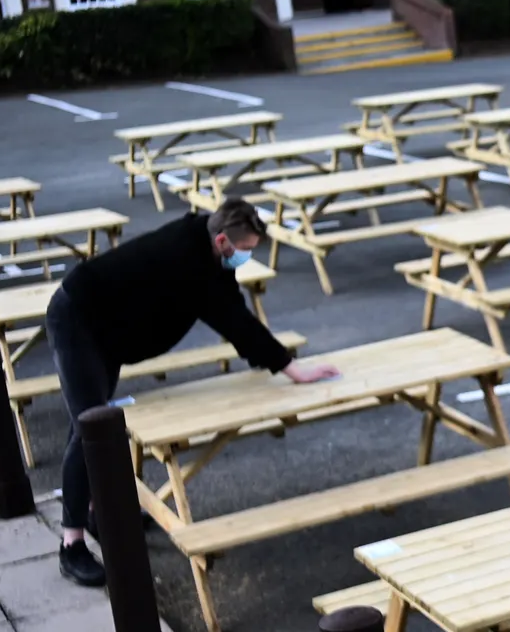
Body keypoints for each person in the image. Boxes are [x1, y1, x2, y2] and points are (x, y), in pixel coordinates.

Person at [47, 199, 337, 586]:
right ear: (222, 241)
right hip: (78, 318)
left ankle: (98, 512)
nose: (247, 256)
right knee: (89, 428)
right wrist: (293, 368)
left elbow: (233, 311)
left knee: (94, 421)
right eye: (246, 249)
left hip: (109, 328)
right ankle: (72, 544)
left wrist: (286, 364)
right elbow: (236, 322)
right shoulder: (189, 261)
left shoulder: (207, 248)